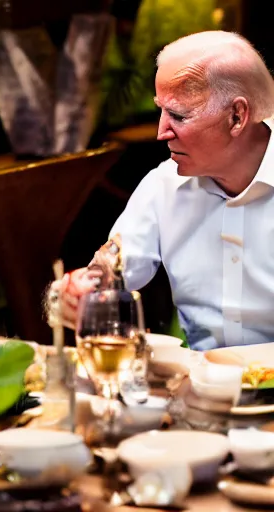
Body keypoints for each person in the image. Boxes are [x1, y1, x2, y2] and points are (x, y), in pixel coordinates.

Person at [50, 30, 274, 350]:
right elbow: (111, 267)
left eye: (178, 115)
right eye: (161, 111)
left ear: (237, 116)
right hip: (199, 387)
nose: (161, 132)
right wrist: (78, 292)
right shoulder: (164, 186)